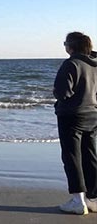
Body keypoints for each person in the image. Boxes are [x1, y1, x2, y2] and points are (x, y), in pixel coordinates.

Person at [54, 31, 97, 215]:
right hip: (93, 114)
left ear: (71, 46)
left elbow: (63, 93)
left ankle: (78, 200)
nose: (65, 46)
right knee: (90, 155)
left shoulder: (71, 63)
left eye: (65, 43)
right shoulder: (95, 65)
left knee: (72, 157)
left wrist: (57, 94)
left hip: (72, 115)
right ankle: (92, 199)